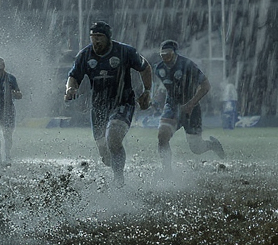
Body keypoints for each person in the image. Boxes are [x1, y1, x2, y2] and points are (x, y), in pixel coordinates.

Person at [64, 22, 152, 183]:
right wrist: (70, 89)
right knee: (105, 156)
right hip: (98, 107)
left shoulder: (125, 51)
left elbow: (145, 67)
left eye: (99, 37)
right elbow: (73, 77)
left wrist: (147, 91)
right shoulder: (85, 55)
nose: (96, 41)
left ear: (108, 38)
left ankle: (119, 180)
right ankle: (118, 165)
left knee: (113, 138)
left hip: (123, 102)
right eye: (93, 37)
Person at [152, 40, 225, 173]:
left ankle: (212, 145)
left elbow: (206, 85)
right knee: (162, 136)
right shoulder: (159, 69)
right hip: (172, 106)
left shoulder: (187, 65)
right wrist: (155, 99)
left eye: (168, 54)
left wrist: (191, 104)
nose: (165, 57)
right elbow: (164, 87)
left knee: (196, 148)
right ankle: (167, 171)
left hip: (192, 108)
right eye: (162, 54)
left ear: (175, 53)